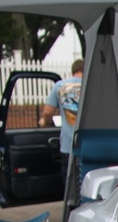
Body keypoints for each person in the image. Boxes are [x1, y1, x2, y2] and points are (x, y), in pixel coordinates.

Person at [39, 57, 83, 185]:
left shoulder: (60, 86)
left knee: (69, 183)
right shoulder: (92, 85)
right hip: (89, 146)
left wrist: (45, 122)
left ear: (73, 71)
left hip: (68, 146)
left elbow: (48, 112)